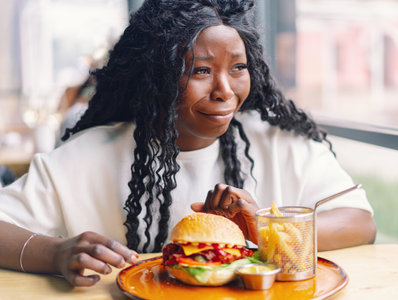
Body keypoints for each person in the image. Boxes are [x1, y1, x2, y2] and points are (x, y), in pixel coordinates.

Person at [0, 0, 376, 287]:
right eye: (200, 70)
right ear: (157, 77)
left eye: (238, 67)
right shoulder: (85, 157)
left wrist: (263, 232)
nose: (225, 90)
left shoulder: (279, 143)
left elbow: (359, 221)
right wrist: (54, 252)